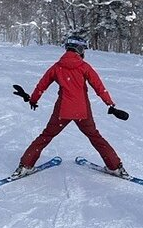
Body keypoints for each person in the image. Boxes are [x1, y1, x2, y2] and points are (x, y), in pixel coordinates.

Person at [12, 35, 128, 178]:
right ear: (79, 49)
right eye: (83, 49)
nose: (84, 52)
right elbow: (99, 87)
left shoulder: (56, 67)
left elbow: (42, 85)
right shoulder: (84, 67)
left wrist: (33, 100)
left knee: (46, 135)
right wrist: (110, 104)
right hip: (82, 111)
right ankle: (115, 167)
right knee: (95, 136)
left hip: (62, 111)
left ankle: (25, 165)